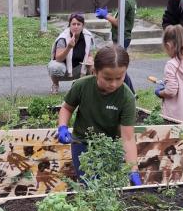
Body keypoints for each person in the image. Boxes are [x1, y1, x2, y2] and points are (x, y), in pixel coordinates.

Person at [56, 44, 142, 184]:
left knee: (109, 185)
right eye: (108, 78)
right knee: (88, 184)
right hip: (82, 143)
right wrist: (62, 127)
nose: (113, 84)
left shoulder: (127, 98)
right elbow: (67, 108)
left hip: (110, 147)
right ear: (95, 71)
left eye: (119, 78)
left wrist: (133, 170)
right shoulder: (82, 86)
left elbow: (127, 138)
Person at [96, 0, 139, 93]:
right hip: (125, 37)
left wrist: (105, 16)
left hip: (122, 37)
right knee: (120, 65)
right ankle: (129, 92)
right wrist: (109, 15)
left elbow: (118, 23)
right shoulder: (132, 1)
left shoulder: (127, 2)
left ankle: (131, 92)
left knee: (119, 66)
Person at [47, 12, 94, 94]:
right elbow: (58, 58)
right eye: (73, 24)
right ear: (69, 25)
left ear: (83, 26)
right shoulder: (63, 38)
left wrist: (90, 60)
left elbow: (90, 55)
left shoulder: (88, 37)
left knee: (95, 65)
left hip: (79, 68)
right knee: (54, 66)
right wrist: (68, 47)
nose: (76, 27)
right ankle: (55, 84)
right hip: (64, 69)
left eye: (78, 24)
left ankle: (87, 86)